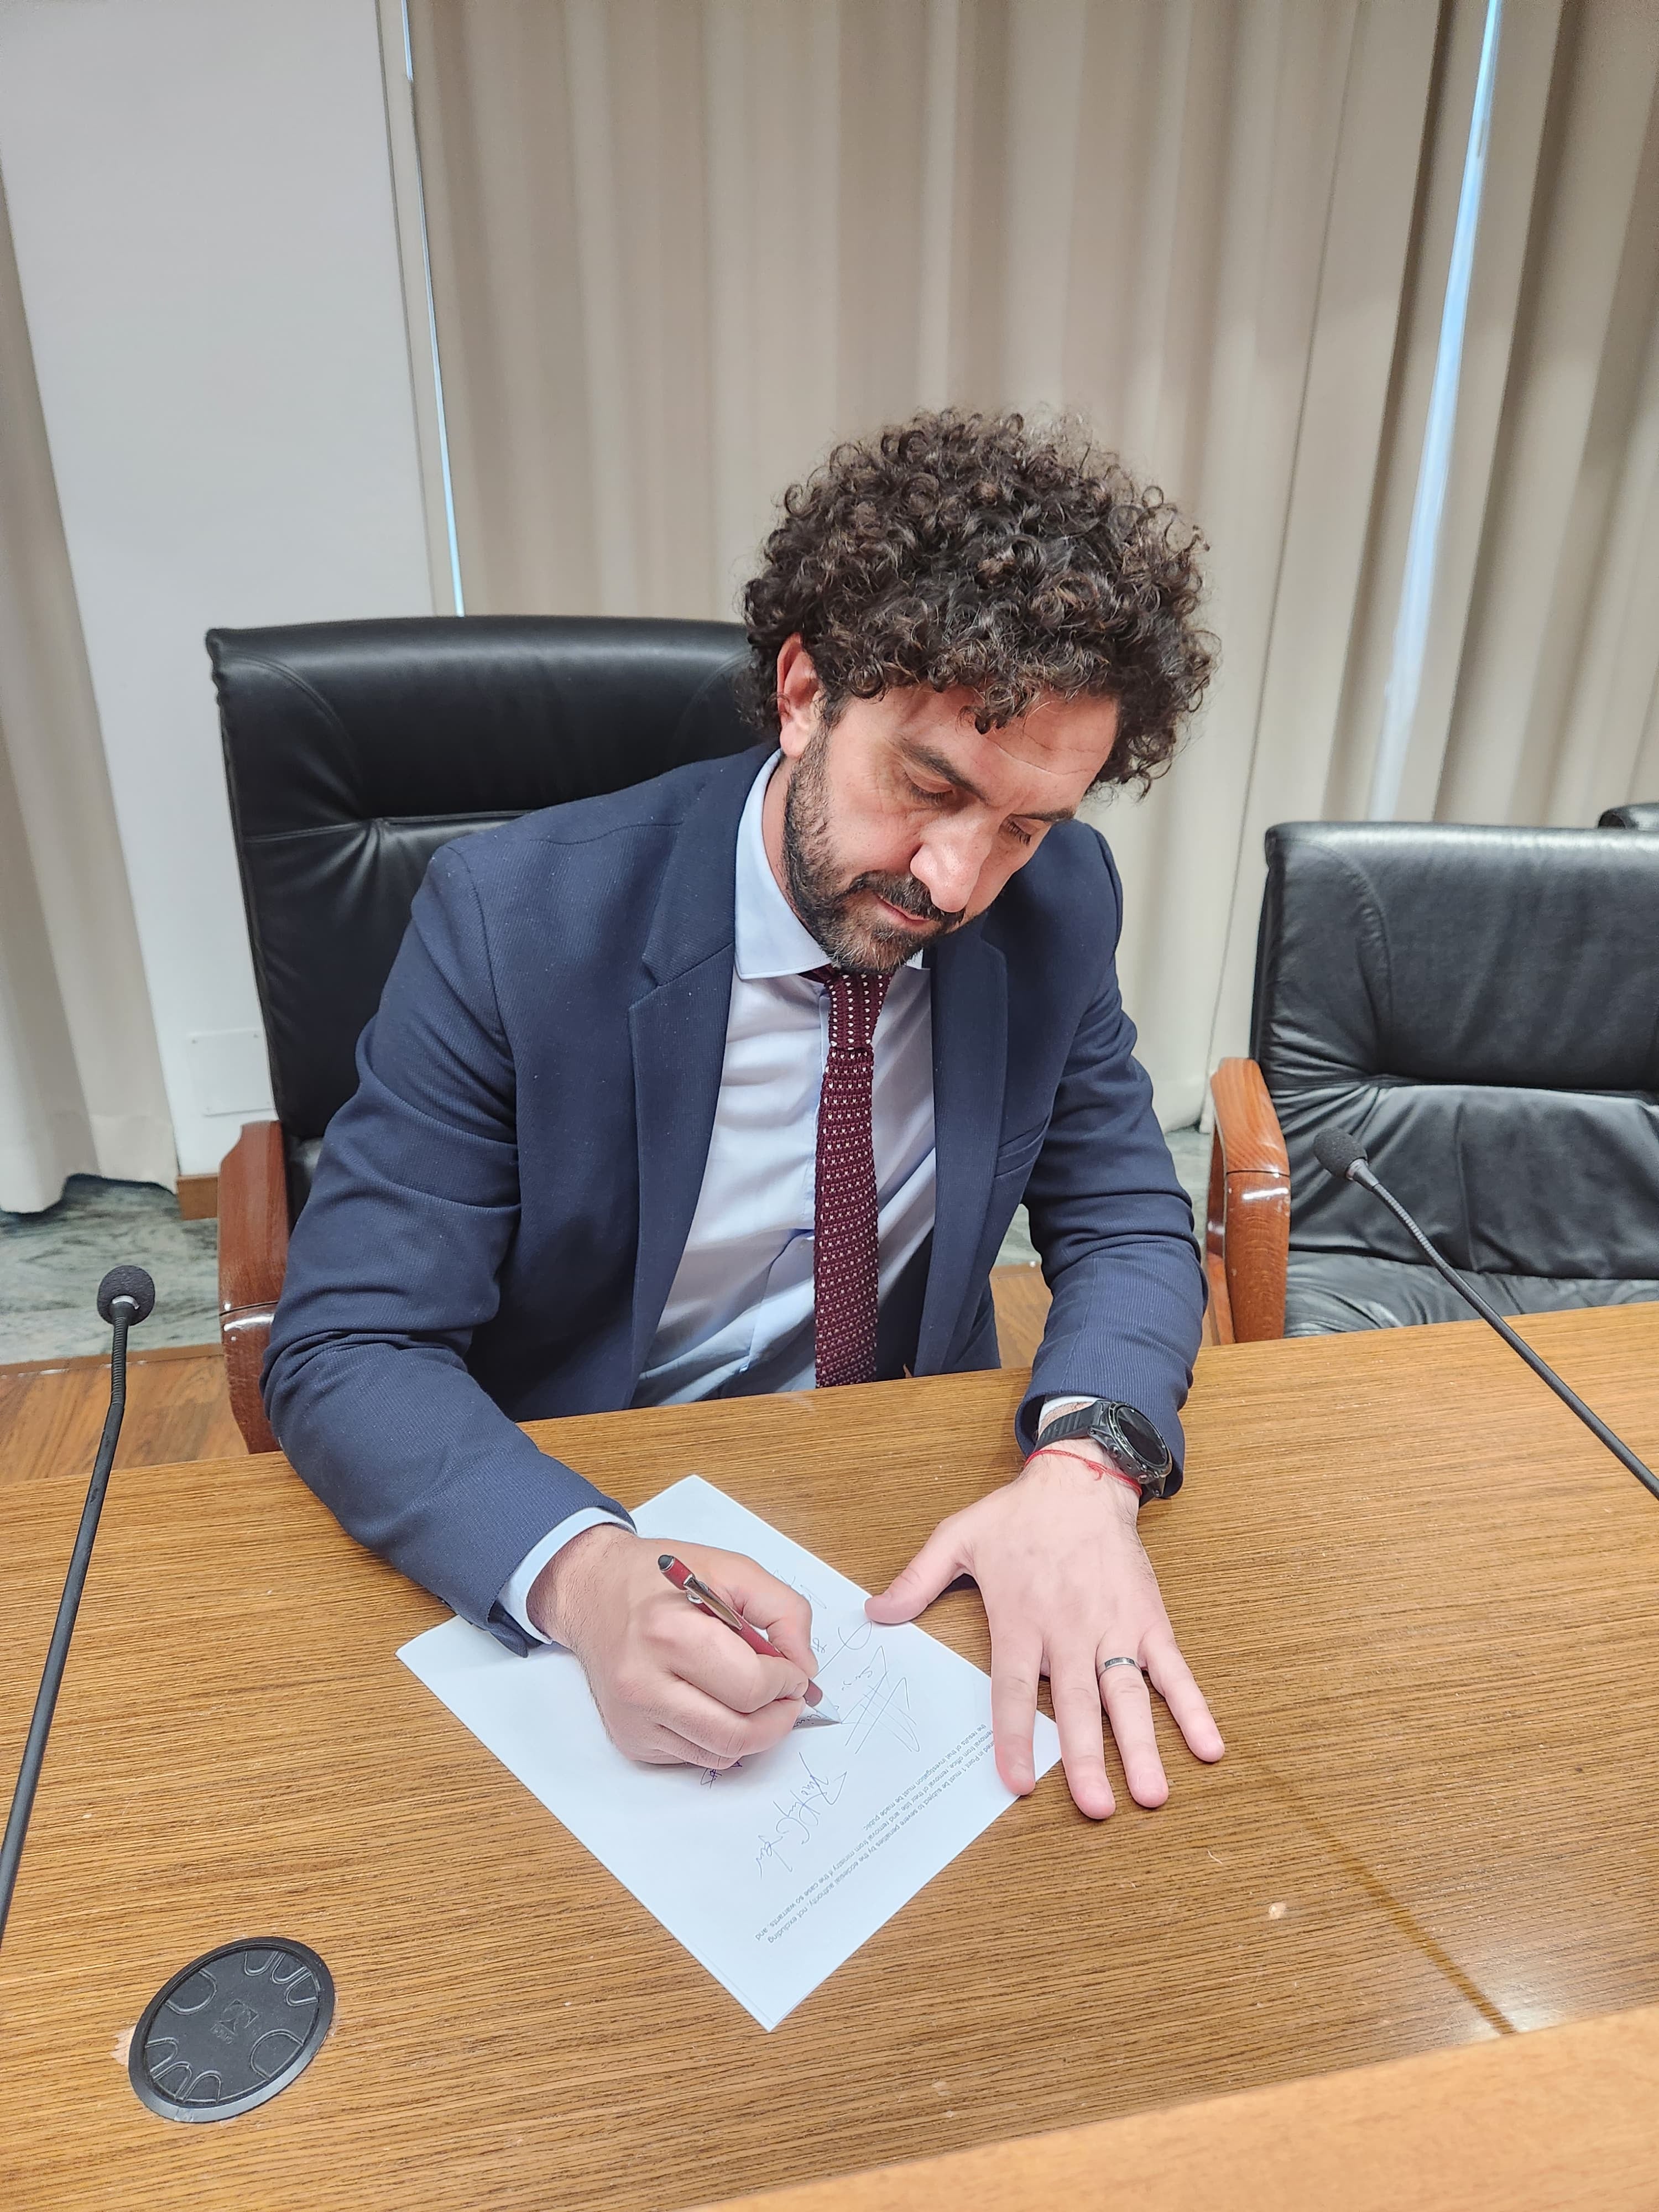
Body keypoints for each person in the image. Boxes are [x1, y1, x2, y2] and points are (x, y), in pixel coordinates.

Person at [264, 409, 1224, 1822]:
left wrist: (1088, 1464)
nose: (958, 881)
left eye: (1025, 824)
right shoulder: (512, 921)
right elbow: (349, 1344)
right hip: (590, 1490)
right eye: (930, 786)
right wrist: (585, 1575)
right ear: (802, 692)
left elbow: (1130, 1214)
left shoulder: (1058, 910)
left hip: (903, 1495)